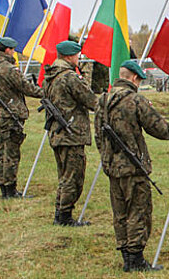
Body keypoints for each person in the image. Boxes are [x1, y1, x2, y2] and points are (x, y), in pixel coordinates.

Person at [95, 60, 169, 272]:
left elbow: (98, 135)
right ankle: (135, 260)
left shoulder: (102, 100)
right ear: (133, 78)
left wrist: (107, 158)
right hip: (133, 169)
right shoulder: (135, 101)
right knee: (138, 212)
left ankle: (126, 256)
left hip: (112, 167)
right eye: (140, 79)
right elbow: (163, 131)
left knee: (120, 212)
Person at [42, 40, 97, 226]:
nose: (78, 58)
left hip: (58, 132)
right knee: (73, 177)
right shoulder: (69, 77)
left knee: (64, 175)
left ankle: (61, 212)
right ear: (69, 56)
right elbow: (90, 99)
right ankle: (64, 216)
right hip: (71, 132)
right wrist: (87, 73)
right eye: (77, 55)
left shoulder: (50, 76)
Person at [0, 37, 43, 198]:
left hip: (0, 112)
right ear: (7, 50)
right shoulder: (8, 69)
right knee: (11, 153)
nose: (13, 52)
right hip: (11, 114)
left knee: (2, 151)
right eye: (12, 50)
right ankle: (10, 189)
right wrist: (45, 92)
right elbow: (26, 87)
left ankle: (3, 186)